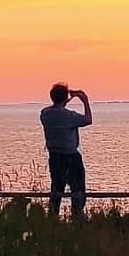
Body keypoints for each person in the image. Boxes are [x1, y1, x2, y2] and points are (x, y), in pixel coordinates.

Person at [40, 83, 91, 219]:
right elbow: (88, 120)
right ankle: (77, 218)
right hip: (71, 157)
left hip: (54, 157)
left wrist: (65, 99)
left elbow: (58, 109)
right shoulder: (69, 116)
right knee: (78, 191)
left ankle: (52, 219)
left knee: (56, 190)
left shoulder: (45, 114)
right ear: (65, 98)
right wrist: (84, 100)